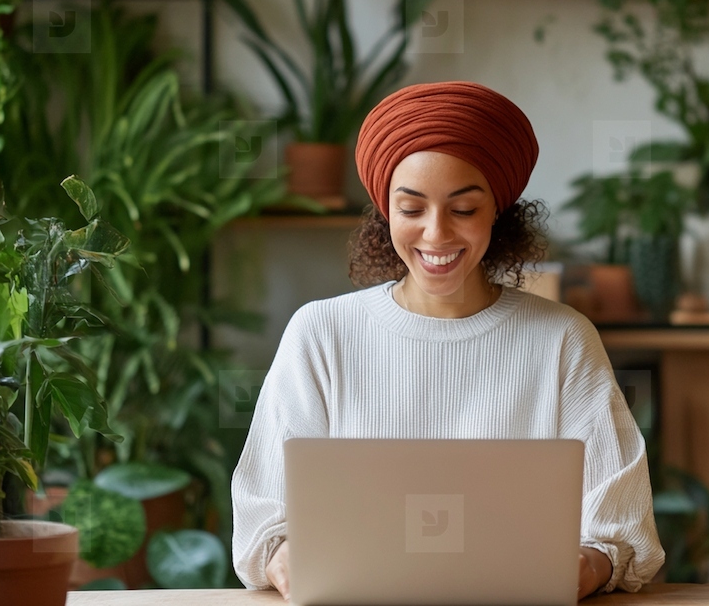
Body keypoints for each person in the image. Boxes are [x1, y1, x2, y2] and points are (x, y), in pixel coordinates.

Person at [231, 81, 665, 602]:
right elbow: (261, 517)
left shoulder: (563, 340)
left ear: (499, 212)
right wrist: (285, 562)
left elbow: (620, 528)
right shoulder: (321, 334)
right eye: (411, 209)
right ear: (385, 213)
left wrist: (587, 567)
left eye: (463, 210)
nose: (436, 235)